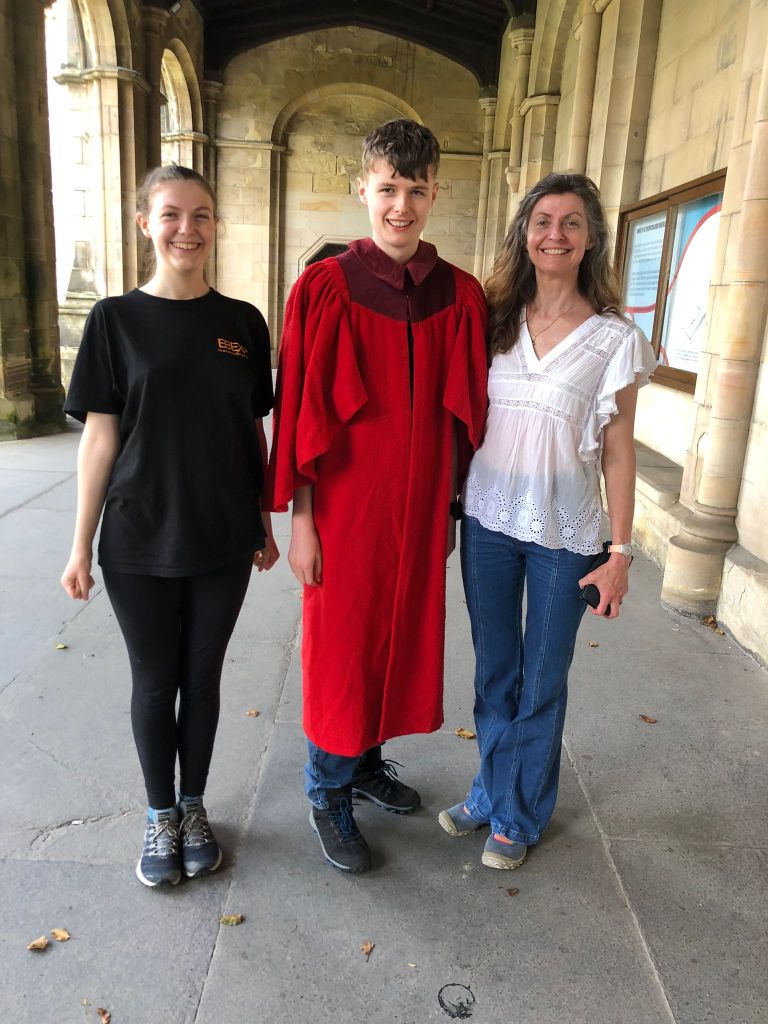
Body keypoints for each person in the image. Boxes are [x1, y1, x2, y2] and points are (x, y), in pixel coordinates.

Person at [264, 119, 488, 874]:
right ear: (362, 188)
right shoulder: (325, 288)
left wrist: (456, 509)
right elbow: (298, 409)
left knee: (394, 636)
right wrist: (302, 520)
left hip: (422, 511)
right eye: (387, 188)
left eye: (415, 190)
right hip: (345, 509)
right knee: (344, 645)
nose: (401, 206)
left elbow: (470, 415)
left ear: (435, 194)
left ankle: (362, 762)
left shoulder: (456, 293)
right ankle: (325, 787)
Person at [60, 165, 279, 888]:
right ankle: (159, 816)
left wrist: (263, 519)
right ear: (144, 223)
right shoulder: (114, 321)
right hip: (138, 534)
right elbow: (100, 438)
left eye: (203, 215)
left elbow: (253, 428)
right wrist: (79, 544)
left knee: (204, 678)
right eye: (173, 215)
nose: (189, 228)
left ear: (216, 225)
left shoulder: (242, 322)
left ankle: (193, 807)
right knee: (156, 681)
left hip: (221, 533)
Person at [439, 172, 656, 870]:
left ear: (591, 237)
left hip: (567, 535)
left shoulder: (613, 339)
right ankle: (490, 789)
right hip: (490, 522)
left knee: (541, 679)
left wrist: (620, 553)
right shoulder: (494, 319)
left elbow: (619, 452)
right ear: (524, 234)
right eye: (542, 221)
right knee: (494, 671)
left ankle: (520, 814)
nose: (554, 234)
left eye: (569, 222)